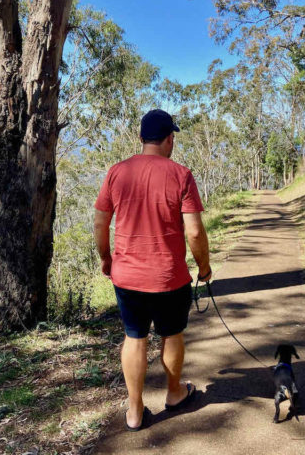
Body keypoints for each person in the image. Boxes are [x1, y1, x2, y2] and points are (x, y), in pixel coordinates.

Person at [93, 109, 211, 431]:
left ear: (141, 138)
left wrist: (106, 258)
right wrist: (204, 267)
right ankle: (174, 393)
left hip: (127, 277)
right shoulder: (181, 175)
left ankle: (134, 411)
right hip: (169, 277)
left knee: (134, 338)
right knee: (172, 335)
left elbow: (101, 222)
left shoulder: (116, 172)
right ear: (170, 139)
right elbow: (196, 232)